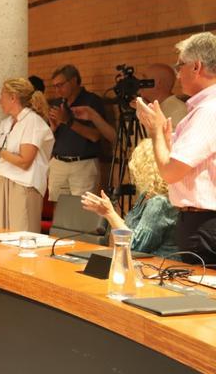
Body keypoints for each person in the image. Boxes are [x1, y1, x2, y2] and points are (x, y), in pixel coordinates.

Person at [136, 32, 216, 264]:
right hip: (201, 222)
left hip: (204, 224)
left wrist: (155, 132)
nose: (178, 74)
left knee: (201, 297)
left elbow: (170, 172)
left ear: (196, 67)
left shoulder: (208, 111)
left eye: (180, 65)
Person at [0, 78, 54, 232]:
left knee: (23, 236)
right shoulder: (6, 123)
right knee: (4, 236)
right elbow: (1, 158)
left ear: (13, 97)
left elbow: (25, 161)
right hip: (4, 181)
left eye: (2, 96)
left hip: (24, 186)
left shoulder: (33, 122)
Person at [81, 139, 178, 258]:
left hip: (161, 266)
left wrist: (110, 213)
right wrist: (107, 213)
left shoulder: (159, 202)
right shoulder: (146, 195)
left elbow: (135, 247)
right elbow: (130, 230)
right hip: (144, 262)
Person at [47, 65, 105, 201]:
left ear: (73, 81)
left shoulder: (92, 101)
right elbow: (48, 138)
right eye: (55, 86)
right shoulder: (57, 103)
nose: (57, 90)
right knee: (59, 209)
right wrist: (53, 128)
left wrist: (68, 121)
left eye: (60, 85)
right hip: (58, 162)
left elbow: (95, 136)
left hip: (83, 164)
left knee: (82, 211)